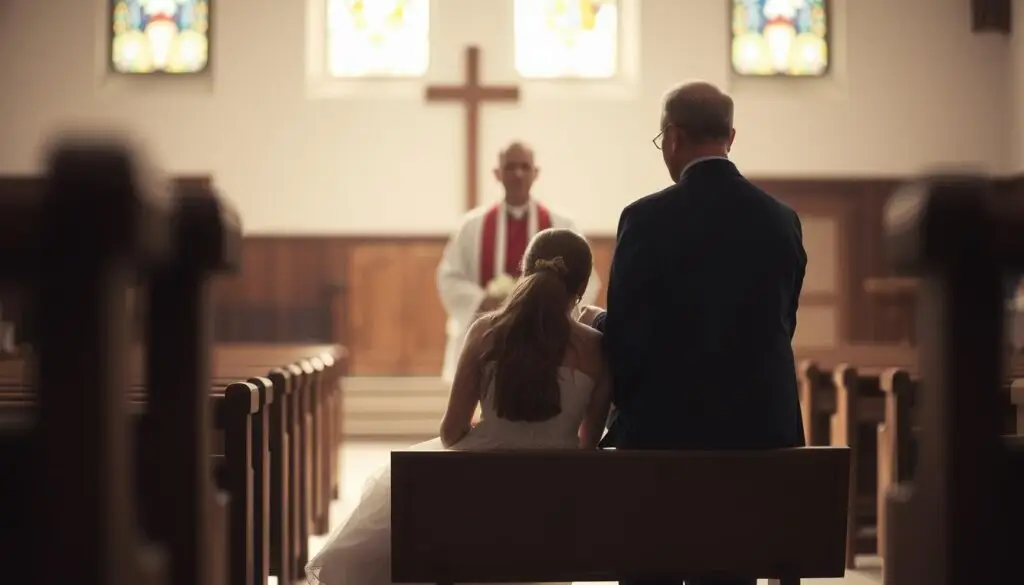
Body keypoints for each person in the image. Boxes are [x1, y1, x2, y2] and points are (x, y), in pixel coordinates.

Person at [579, 81, 807, 585]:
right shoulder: (781, 220)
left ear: (674, 137)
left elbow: (629, 340)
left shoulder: (645, 218)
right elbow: (780, 326)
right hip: (757, 439)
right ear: (731, 136)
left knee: (650, 570)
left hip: (663, 440)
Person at [307, 228, 612, 585]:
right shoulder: (595, 349)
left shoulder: (486, 331)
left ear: (525, 273)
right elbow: (589, 447)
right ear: (581, 286)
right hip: (550, 512)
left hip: (474, 503)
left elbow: (451, 432)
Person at [437, 141, 601, 385]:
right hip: (490, 336)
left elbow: (587, 279)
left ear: (536, 172)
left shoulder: (562, 224)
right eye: (510, 167)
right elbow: (449, 277)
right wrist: (482, 299)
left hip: (545, 335)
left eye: (525, 167)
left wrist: (551, 305)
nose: (518, 174)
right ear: (497, 173)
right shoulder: (472, 226)